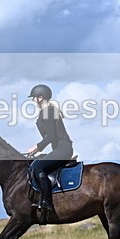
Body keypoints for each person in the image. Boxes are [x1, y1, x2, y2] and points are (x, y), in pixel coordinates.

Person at [25, 84, 73, 221]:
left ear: (40, 97)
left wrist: (37, 147)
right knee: (36, 164)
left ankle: (46, 202)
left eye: (33, 98)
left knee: (38, 167)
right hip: (59, 149)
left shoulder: (48, 112)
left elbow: (51, 136)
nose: (32, 101)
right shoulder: (47, 111)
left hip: (63, 149)